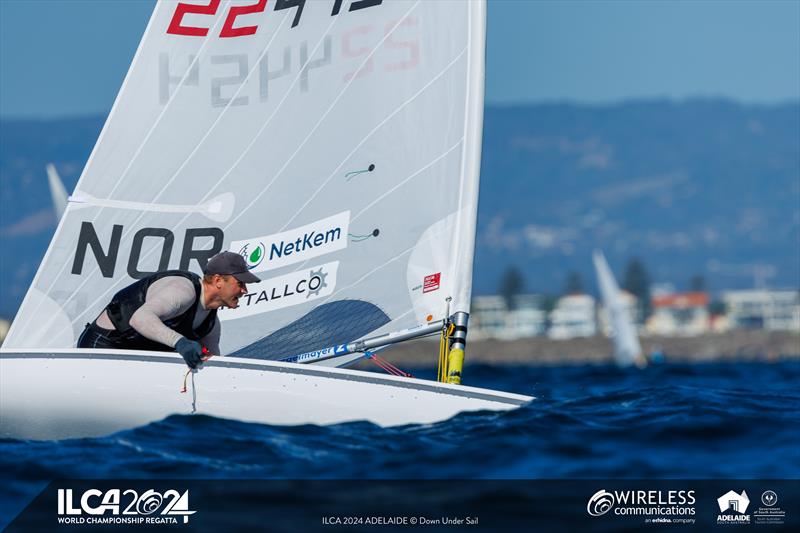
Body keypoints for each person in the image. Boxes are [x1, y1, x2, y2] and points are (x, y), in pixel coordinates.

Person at [77, 251, 260, 368]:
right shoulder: (183, 291)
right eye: (240, 283)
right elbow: (140, 319)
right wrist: (180, 342)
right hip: (102, 347)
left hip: (135, 359)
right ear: (218, 281)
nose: (245, 290)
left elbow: (213, 365)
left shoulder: (210, 325)